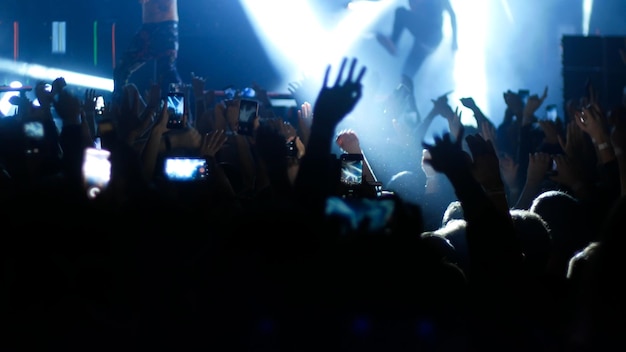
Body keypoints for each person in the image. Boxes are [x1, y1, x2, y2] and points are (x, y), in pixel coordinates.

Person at [113, 0, 182, 101]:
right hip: (148, 28)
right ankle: (121, 107)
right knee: (122, 69)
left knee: (168, 72)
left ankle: (178, 112)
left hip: (166, 26)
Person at [376, 0, 458, 81]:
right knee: (407, 72)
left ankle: (393, 41)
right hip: (431, 42)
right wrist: (454, 42)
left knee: (400, 12)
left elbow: (452, 15)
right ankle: (402, 90)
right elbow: (452, 15)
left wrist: (454, 42)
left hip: (427, 33)